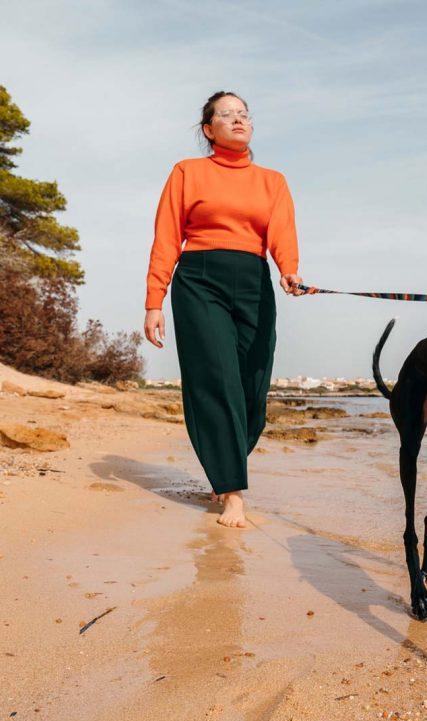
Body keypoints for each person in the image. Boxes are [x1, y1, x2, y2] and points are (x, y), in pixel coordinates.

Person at [143, 90, 309, 528]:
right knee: (216, 380)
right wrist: (154, 301)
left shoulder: (272, 180)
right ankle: (233, 492)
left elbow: (282, 231)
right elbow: (166, 237)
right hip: (199, 280)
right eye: (226, 114)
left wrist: (288, 271)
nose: (238, 120)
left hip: (254, 282)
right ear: (208, 129)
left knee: (254, 387)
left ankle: (224, 465)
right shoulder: (187, 171)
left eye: (244, 114)